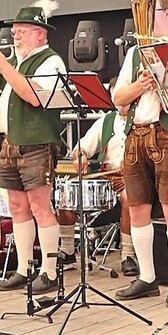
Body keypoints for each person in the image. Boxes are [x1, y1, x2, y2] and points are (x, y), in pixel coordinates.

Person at [0, 0, 65, 294]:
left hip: (37, 142)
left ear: (40, 33)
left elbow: (33, 96)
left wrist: (2, 64)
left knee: (40, 206)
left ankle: (49, 270)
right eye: (14, 32)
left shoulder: (50, 60)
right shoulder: (13, 62)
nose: (15, 36)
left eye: (22, 31)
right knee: (16, 206)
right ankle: (24, 267)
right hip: (10, 142)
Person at [111, 0, 168, 309]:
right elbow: (119, 97)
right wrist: (141, 85)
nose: (144, 19)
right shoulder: (135, 52)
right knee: (137, 208)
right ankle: (147, 277)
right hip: (137, 134)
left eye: (153, 10)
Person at [60, 78, 139, 276]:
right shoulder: (105, 121)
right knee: (68, 191)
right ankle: (68, 250)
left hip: (135, 178)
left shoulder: (143, 119)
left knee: (128, 196)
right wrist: (81, 156)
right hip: (108, 178)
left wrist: (130, 170)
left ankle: (128, 255)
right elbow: (82, 146)